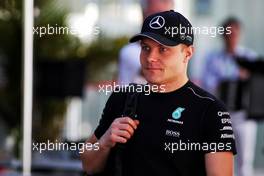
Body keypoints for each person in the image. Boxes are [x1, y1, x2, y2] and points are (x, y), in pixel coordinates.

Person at [81, 10, 236, 176]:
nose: (150, 58)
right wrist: (104, 142)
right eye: (146, 48)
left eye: (163, 49)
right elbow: (88, 165)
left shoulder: (210, 110)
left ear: (188, 53)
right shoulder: (123, 98)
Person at [201, 18, 258, 176]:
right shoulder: (213, 58)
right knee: (221, 159)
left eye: (235, 33)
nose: (232, 37)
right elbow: (207, 84)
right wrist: (233, 76)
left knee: (245, 161)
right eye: (228, 34)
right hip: (221, 115)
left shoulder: (249, 57)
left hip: (244, 116)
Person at [118, 0, 174, 85]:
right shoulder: (130, 51)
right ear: (143, 14)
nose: (162, 21)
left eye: (167, 15)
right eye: (156, 14)